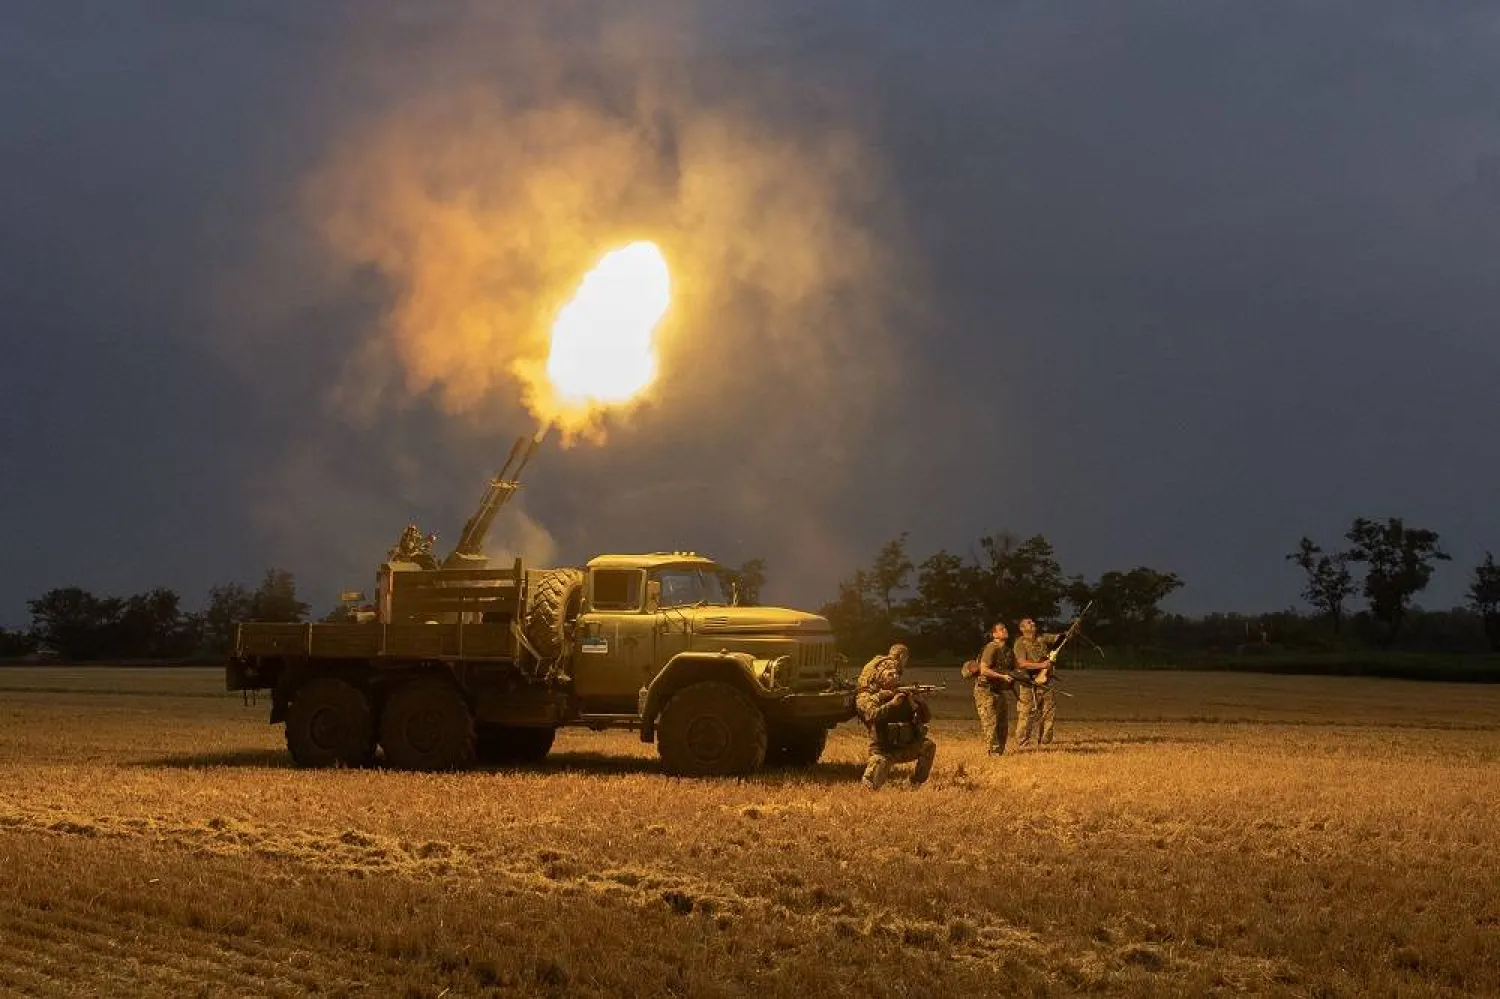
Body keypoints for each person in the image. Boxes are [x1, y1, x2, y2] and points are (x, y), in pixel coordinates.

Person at [855, 643, 937, 789]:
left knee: (928, 746)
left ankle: (914, 783)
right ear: (881, 678)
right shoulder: (875, 698)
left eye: (896, 674)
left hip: (903, 747)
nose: (895, 677)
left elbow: (925, 718)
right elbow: (872, 716)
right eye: (890, 674)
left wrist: (919, 702)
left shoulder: (904, 695)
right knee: (872, 785)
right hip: (884, 751)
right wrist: (891, 704)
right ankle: (872, 778)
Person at [1011, 617, 1061, 748]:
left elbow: (1058, 638)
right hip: (1029, 682)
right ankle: (1022, 742)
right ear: (1022, 628)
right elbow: (1022, 663)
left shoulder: (1042, 638)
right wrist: (1042, 665)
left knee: (1049, 711)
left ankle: (1045, 741)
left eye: (1033, 622)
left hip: (1047, 681)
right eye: (1028, 623)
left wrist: (1069, 632)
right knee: (1026, 713)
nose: (1032, 624)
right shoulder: (1020, 643)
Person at [973, 622, 1014, 754]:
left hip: (997, 689)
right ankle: (994, 752)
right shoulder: (991, 648)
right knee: (990, 722)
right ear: (994, 634)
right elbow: (984, 670)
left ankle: (1000, 750)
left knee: (1002, 722)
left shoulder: (1007, 651)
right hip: (985, 689)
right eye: (1001, 629)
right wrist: (1002, 676)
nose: (1005, 630)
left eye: (1005, 628)